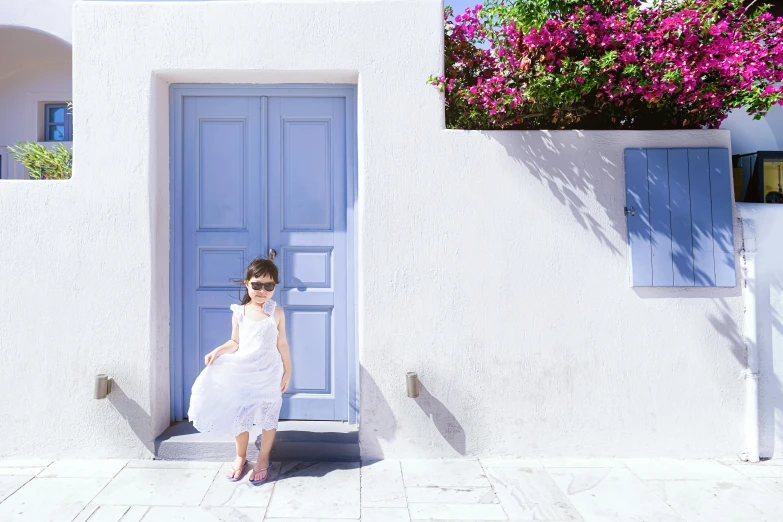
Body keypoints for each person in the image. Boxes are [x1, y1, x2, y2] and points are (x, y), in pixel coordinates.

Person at [188, 257, 292, 485]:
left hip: (269, 372)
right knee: (241, 417)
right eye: (257, 285)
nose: (262, 290)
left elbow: (282, 344)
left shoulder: (277, 313)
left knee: (268, 415)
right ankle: (240, 456)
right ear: (247, 284)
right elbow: (235, 342)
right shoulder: (240, 312)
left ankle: (263, 458)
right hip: (244, 372)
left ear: (274, 287)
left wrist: (288, 370)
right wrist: (219, 350)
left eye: (269, 286)